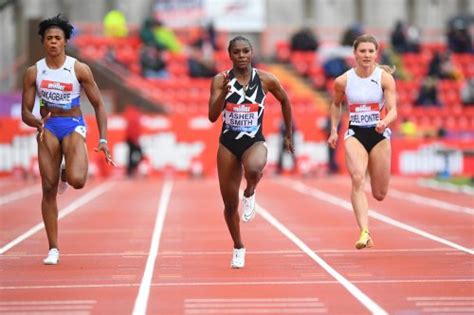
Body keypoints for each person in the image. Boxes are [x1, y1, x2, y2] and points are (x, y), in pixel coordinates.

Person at [21, 15, 115, 265]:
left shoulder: (78, 68)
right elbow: (25, 112)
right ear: (43, 42)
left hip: (73, 125)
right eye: (49, 38)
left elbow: (99, 106)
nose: (53, 42)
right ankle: (53, 248)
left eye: (58, 38)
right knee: (47, 188)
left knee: (78, 181)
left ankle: (66, 172)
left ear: (65, 42)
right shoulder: (34, 72)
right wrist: (36, 122)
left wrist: (103, 139)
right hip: (48, 127)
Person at [208, 36, 294, 268]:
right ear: (230, 55)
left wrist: (288, 134)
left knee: (255, 168)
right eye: (237, 52)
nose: (242, 56)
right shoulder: (220, 80)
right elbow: (212, 116)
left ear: (252, 52)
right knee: (229, 204)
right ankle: (238, 246)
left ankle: (251, 191)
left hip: (253, 140)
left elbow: (286, 101)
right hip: (227, 143)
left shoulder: (266, 79)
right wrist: (224, 95)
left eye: (246, 51)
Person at [327, 34, 397, 250]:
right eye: (362, 51)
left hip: (379, 136)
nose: (366, 55)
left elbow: (393, 110)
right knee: (357, 178)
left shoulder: (384, 78)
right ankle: (364, 232)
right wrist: (333, 130)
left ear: (376, 53)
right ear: (355, 53)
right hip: (355, 134)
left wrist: (384, 122)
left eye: (370, 51)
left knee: (379, 193)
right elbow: (336, 104)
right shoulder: (343, 80)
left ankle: (367, 223)